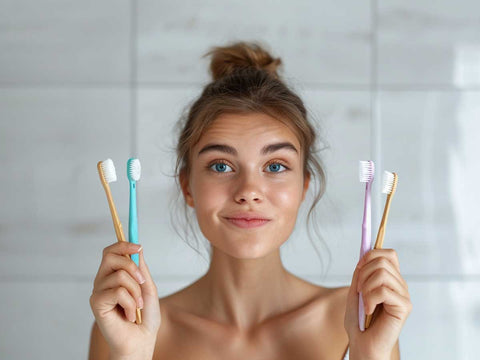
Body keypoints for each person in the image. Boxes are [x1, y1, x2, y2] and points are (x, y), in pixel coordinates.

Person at [89, 41, 412, 360]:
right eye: (221, 166)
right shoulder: (128, 325)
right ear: (187, 186)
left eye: (275, 166)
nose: (249, 190)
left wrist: (372, 354)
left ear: (303, 186)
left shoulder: (361, 320)